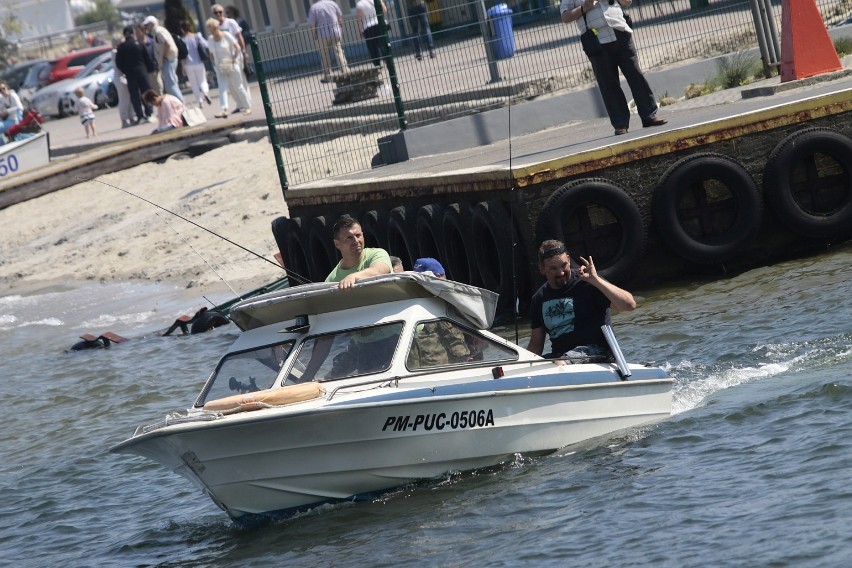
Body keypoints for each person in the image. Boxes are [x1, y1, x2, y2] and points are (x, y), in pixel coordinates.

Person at [560, 0, 665, 136]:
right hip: (596, 40)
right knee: (608, 84)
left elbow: (627, 2)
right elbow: (565, 16)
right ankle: (620, 124)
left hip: (620, 32)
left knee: (635, 75)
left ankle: (649, 116)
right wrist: (585, 7)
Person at [527, 239, 636, 359]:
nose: (561, 272)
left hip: (598, 352)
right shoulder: (538, 299)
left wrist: (596, 280)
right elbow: (536, 347)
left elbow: (629, 305)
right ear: (542, 269)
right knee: (543, 364)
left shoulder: (588, 283)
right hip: (560, 356)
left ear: (568, 259)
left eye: (564, 265)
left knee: (561, 362)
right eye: (553, 268)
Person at [408, 257, 472, 368]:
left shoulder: (441, 301)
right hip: (416, 367)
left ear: (436, 277)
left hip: (439, 367)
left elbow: (453, 335)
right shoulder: (418, 300)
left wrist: (463, 361)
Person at [325, 214, 391, 289]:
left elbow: (378, 271)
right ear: (337, 244)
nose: (356, 241)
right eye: (349, 237)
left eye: (358, 235)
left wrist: (353, 277)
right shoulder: (331, 281)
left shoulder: (378, 254)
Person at [205, 18, 251, 118]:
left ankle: (247, 107)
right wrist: (214, 65)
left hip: (232, 64)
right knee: (222, 88)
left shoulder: (226, 35)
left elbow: (237, 47)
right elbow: (211, 54)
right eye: (211, 31)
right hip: (220, 67)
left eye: (214, 29)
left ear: (217, 27)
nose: (213, 32)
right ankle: (224, 109)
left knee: (238, 86)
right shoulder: (210, 39)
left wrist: (234, 58)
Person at [213, 5, 252, 109]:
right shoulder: (215, 26)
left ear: (223, 13)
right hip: (224, 59)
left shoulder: (231, 22)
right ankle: (239, 104)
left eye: (220, 12)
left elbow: (240, 37)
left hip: (236, 55)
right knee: (230, 84)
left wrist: (244, 52)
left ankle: (247, 103)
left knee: (240, 80)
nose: (218, 14)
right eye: (216, 13)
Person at [116, 25, 155, 124]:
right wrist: (149, 69)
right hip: (142, 72)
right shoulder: (140, 44)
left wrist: (125, 70)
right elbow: (147, 58)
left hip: (130, 74)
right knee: (146, 93)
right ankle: (149, 113)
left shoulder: (121, 47)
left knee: (135, 96)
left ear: (124, 35)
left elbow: (118, 63)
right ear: (133, 33)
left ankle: (140, 115)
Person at [143, 15, 184, 103]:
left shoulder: (158, 32)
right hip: (169, 59)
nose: (146, 27)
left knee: (170, 85)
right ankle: (179, 104)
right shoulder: (158, 31)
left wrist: (164, 56)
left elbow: (167, 44)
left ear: (151, 24)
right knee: (172, 84)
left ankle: (181, 104)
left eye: (147, 25)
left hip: (168, 59)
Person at [308, 0, 349, 83]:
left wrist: (314, 35)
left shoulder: (314, 8)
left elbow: (312, 24)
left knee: (325, 55)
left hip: (322, 34)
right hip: (335, 31)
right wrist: (340, 29)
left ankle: (328, 75)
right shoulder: (332, 3)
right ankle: (345, 71)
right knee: (339, 52)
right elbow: (339, 18)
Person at [180, 20, 212, 107]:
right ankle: (205, 93)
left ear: (182, 29)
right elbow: (206, 45)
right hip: (199, 62)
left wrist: (182, 67)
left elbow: (182, 55)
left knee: (194, 83)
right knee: (202, 80)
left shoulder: (182, 40)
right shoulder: (197, 36)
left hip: (188, 64)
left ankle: (200, 102)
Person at [356, 0, 388, 67]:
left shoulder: (360, 4)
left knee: (372, 46)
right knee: (382, 43)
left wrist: (360, 30)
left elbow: (359, 19)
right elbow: (384, 10)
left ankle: (377, 63)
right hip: (379, 23)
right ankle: (387, 58)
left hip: (368, 27)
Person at [225, 5, 255, 77]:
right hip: (232, 44)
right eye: (226, 12)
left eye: (228, 12)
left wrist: (242, 41)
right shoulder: (228, 22)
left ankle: (246, 70)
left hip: (240, 42)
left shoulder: (240, 20)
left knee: (242, 57)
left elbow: (245, 31)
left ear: (233, 11)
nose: (227, 14)